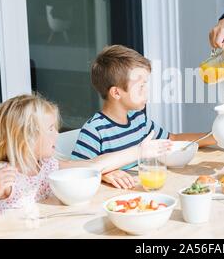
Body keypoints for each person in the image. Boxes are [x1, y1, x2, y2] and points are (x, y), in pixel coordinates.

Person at [0, 94, 171, 226]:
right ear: (27, 137)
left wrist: (139, 151)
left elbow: (95, 164)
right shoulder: (5, 174)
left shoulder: (47, 166)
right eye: (50, 129)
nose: (57, 134)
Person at [71, 45, 215, 189]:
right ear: (116, 93)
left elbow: (172, 140)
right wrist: (103, 173)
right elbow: (76, 172)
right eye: (140, 86)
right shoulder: (94, 131)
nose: (147, 91)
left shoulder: (139, 120)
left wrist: (215, 137)